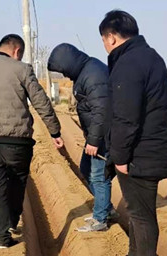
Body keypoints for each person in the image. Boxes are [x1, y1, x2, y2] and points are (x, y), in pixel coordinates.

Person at [0, 34, 63, 248]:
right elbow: (41, 102)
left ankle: (2, 238)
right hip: (17, 141)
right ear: (17, 51)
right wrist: (54, 131)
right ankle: (13, 222)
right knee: (17, 182)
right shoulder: (22, 69)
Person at [100, 10, 167, 256]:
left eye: (103, 40)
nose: (105, 45)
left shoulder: (129, 63)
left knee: (142, 213)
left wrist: (119, 156)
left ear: (111, 37)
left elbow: (125, 117)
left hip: (140, 152)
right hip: (147, 147)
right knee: (135, 209)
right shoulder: (149, 57)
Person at [47, 43, 116, 232]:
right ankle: (106, 208)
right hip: (97, 134)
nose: (65, 75)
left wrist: (94, 140)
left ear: (68, 64)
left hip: (104, 136)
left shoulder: (93, 76)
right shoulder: (86, 71)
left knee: (99, 176)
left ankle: (100, 219)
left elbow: (102, 111)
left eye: (63, 70)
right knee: (86, 169)